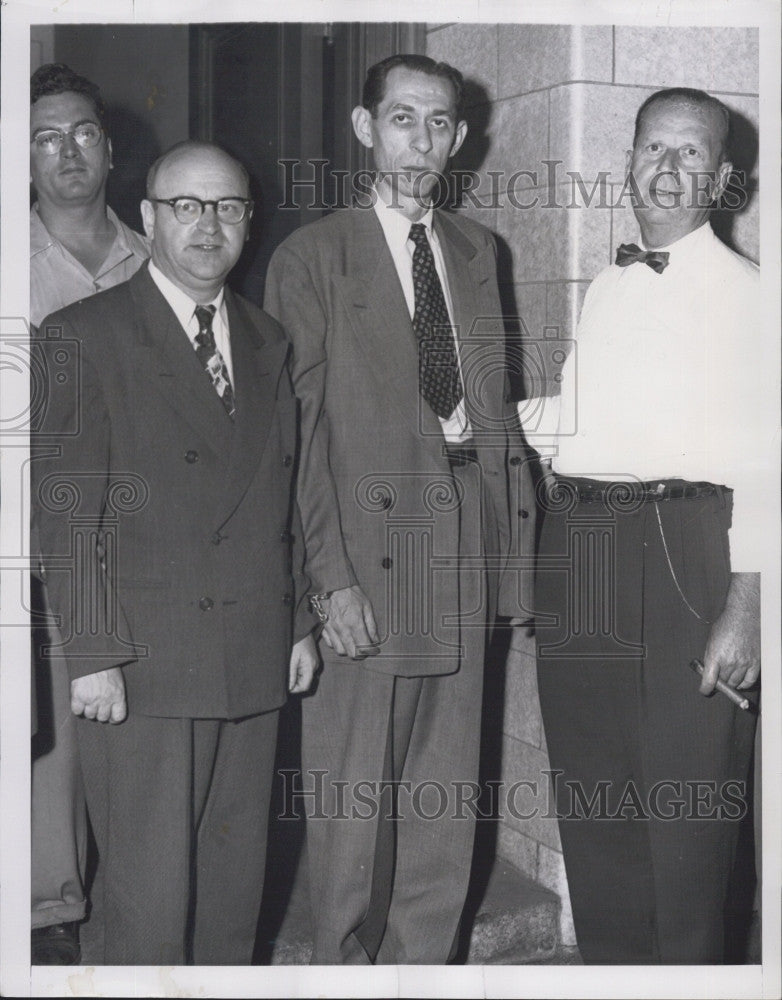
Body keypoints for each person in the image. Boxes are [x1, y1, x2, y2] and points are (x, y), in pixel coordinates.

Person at [264, 53, 536, 964]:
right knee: (350, 795)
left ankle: (420, 969)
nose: (421, 139)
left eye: (439, 123)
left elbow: (493, 411)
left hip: (462, 535)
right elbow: (292, 437)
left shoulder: (476, 251)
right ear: (364, 128)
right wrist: (326, 584)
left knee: (443, 790)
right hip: (365, 546)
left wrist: (514, 562)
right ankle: (342, 965)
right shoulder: (312, 255)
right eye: (402, 118)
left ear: (459, 139)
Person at [32, 140, 318, 965]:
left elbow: (280, 500)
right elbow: (65, 511)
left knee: (234, 899)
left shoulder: (267, 341)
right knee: (146, 907)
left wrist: (297, 620)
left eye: (227, 207)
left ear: (248, 222)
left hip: (252, 657)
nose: (208, 225)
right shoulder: (84, 334)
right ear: (149, 218)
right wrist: (92, 657)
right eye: (187, 206)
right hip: (144, 665)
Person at [526, 87, 767, 963]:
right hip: (582, 543)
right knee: (594, 794)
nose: (667, 169)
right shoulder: (610, 285)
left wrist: (748, 608)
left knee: (687, 807)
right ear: (626, 162)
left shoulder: (748, 297)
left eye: (690, 153)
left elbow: (768, 461)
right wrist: (468, 415)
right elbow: (585, 423)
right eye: (652, 149)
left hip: (683, 546)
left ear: (724, 178)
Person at [29, 62, 150, 965]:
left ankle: (130, 906)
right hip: (38, 545)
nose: (66, 151)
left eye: (80, 133)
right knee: (50, 748)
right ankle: (47, 922)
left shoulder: (158, 249)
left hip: (149, 543)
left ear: (108, 150)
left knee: (137, 741)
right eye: (43, 137)